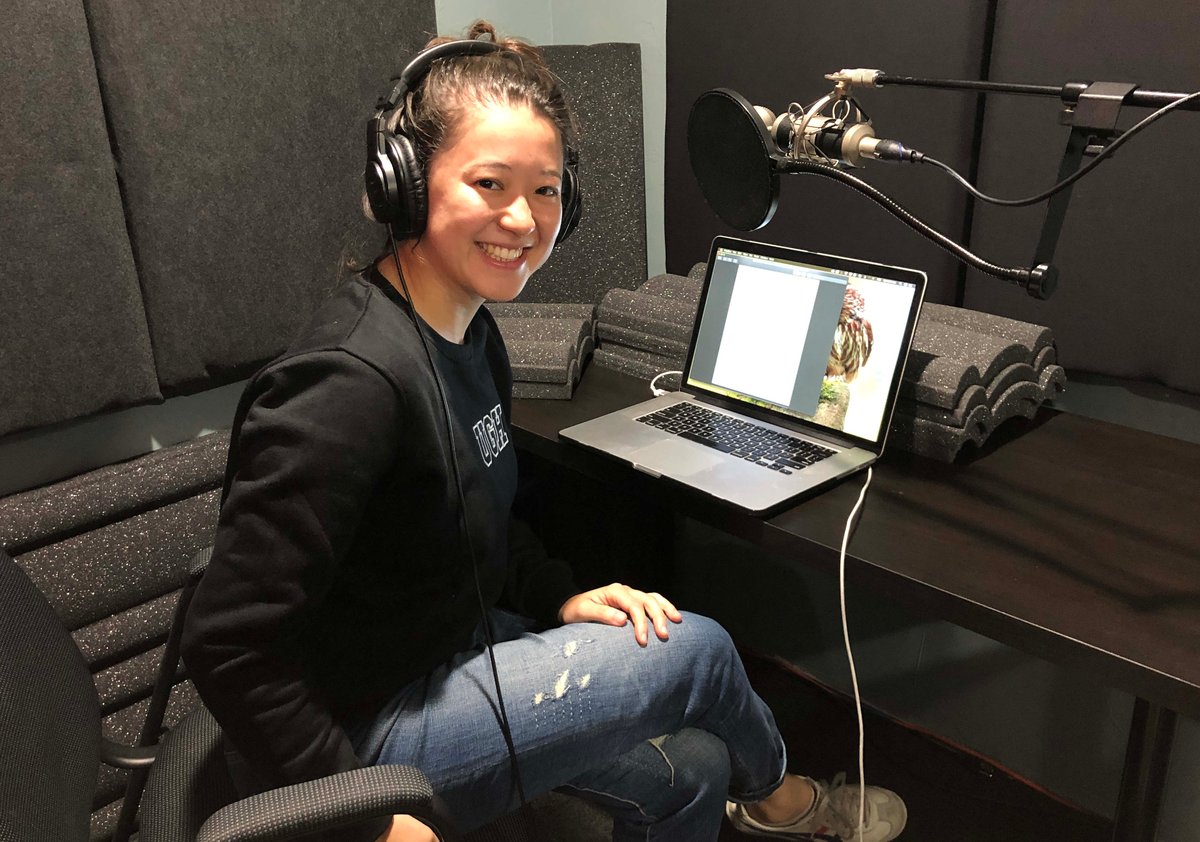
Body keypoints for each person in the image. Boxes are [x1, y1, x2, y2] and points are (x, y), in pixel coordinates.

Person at [180, 21, 908, 842]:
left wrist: (556, 594)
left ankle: (750, 792)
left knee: (697, 773)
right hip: (360, 735)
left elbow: (480, 524)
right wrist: (366, 818)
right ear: (406, 184)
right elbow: (229, 644)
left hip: (448, 652)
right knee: (697, 653)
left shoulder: (472, 334)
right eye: (490, 183)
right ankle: (787, 802)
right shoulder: (344, 387)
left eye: (547, 190)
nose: (523, 220)